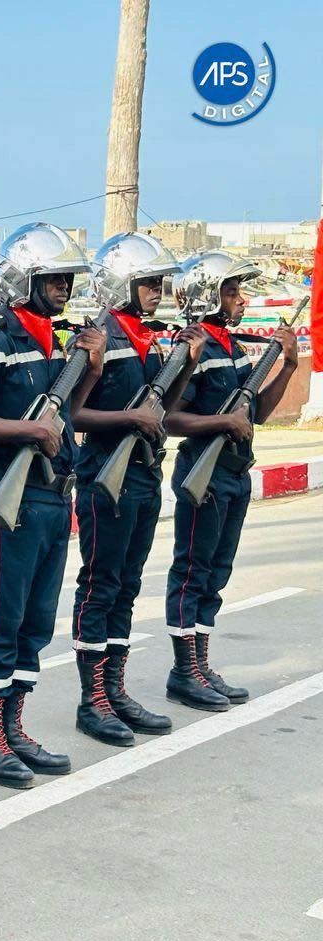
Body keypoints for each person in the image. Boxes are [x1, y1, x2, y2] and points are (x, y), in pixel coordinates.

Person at [0, 222, 105, 790]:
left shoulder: (50, 340)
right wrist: (25, 429)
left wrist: (89, 372)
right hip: (11, 495)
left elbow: (61, 421)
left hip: (53, 497)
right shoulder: (2, 339)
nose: (63, 285)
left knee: (36, 621)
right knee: (1, 618)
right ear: (24, 279)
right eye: (53, 276)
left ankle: (14, 726)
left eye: (66, 277)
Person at [69, 233, 204, 744]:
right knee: (100, 585)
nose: (156, 290)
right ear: (121, 283)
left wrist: (187, 360)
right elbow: (72, 414)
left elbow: (164, 414)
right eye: (146, 281)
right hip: (107, 478)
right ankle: (92, 699)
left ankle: (115, 688)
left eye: (157, 282)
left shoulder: (151, 338)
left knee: (127, 586)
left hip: (144, 476)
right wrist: (128, 417)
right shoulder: (97, 337)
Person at [162, 252, 298, 710]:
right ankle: (184, 671)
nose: (240, 300)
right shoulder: (195, 348)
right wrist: (220, 425)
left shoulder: (232, 347)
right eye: (231, 291)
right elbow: (168, 418)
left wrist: (289, 365)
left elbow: (254, 411)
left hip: (234, 474)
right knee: (192, 573)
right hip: (205, 472)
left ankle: (200, 664)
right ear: (207, 296)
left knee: (215, 576)